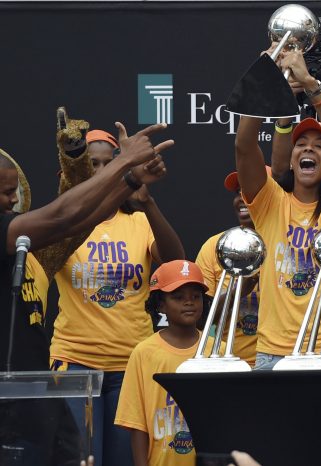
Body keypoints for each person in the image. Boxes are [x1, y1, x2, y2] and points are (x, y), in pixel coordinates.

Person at [0, 120, 171, 466]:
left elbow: (77, 223)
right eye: (5, 192)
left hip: (38, 396)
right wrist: (124, 164)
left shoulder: (30, 252)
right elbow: (65, 215)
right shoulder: (12, 236)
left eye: (14, 189)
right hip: (19, 398)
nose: (15, 198)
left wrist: (133, 181)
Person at [234, 47, 321, 466]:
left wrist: (313, 88)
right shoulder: (270, 202)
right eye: (300, 143)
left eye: (319, 146)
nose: (308, 149)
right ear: (291, 156)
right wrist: (267, 81)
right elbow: (243, 145)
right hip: (274, 355)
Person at [50, 125, 185, 466]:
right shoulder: (62, 224)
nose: (102, 172)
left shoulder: (138, 222)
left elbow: (175, 264)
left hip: (130, 363)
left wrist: (147, 202)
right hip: (75, 363)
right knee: (78, 460)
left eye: (110, 163)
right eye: (92, 165)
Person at [115, 260, 211, 466]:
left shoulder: (217, 350)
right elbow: (136, 424)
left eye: (196, 296)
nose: (189, 302)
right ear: (160, 304)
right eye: (178, 297)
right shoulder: (144, 353)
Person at [195, 168, 273, 366]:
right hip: (228, 363)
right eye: (238, 192)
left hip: (279, 361)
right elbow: (200, 318)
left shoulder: (286, 246)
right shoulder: (214, 247)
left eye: (251, 191)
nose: (242, 198)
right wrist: (237, 291)